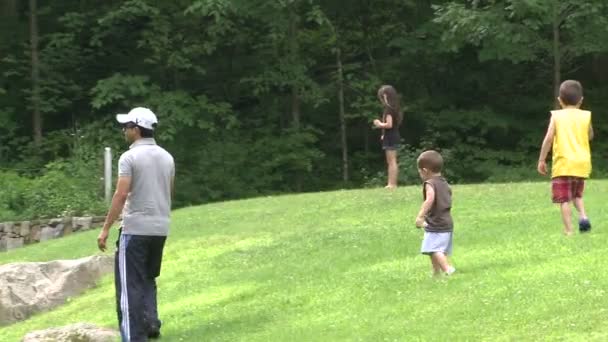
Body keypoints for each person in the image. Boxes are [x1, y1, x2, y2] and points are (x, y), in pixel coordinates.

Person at [97, 107, 175, 341]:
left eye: (127, 126)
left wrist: (105, 229)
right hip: (160, 228)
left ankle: (133, 336)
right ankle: (151, 323)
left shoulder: (129, 157)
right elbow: (169, 192)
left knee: (129, 286)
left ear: (137, 129)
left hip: (135, 229)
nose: (124, 130)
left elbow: (121, 195)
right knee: (148, 277)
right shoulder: (167, 157)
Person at [538, 80, 593, 236]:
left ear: (559, 100)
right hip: (581, 163)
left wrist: (542, 159)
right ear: (581, 100)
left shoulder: (557, 116)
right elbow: (590, 135)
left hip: (563, 164)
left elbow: (548, 139)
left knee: (564, 199)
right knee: (577, 194)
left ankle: (569, 231)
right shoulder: (586, 116)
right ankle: (583, 217)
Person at [415, 150, 455, 276]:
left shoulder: (430, 183)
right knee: (436, 249)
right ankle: (436, 272)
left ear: (425, 171)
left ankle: (447, 269)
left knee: (434, 249)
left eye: (420, 172)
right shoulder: (444, 182)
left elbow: (430, 199)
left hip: (436, 222)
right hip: (447, 221)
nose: (420, 174)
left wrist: (420, 217)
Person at [373, 85, 403, 189]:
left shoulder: (389, 110)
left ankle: (392, 184)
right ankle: (391, 183)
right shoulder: (394, 108)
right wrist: (383, 134)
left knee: (392, 161)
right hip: (391, 136)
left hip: (391, 137)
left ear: (385, 96)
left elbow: (389, 124)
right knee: (391, 161)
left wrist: (379, 124)